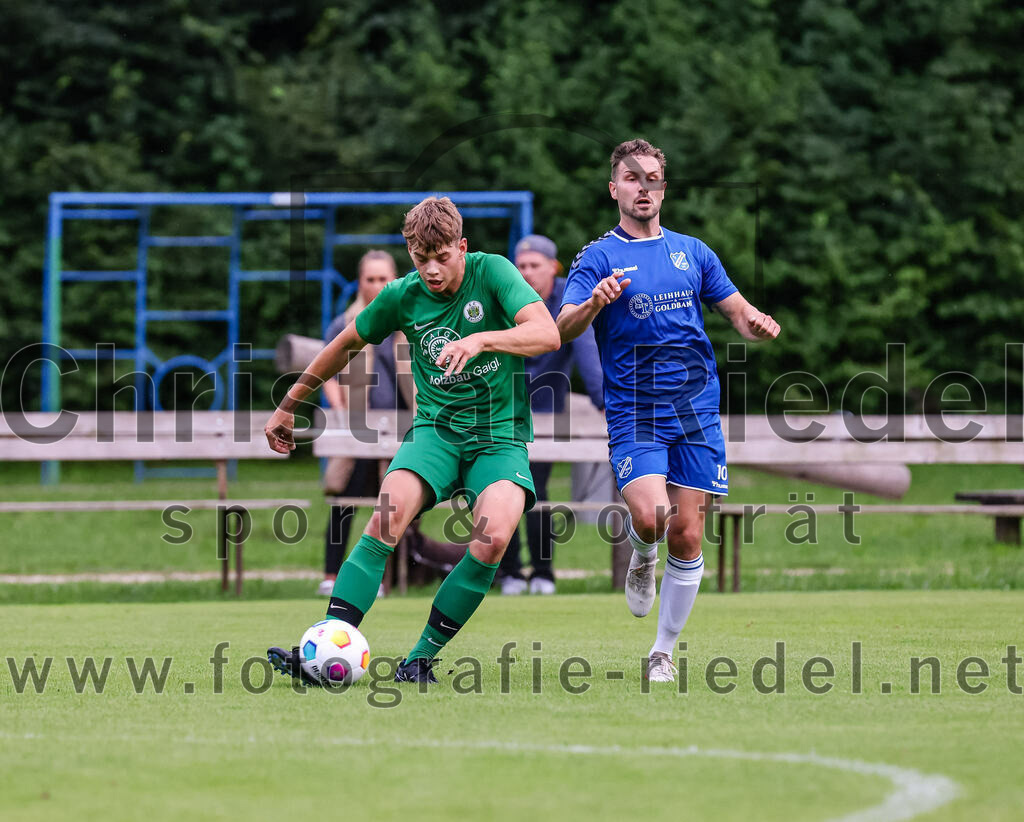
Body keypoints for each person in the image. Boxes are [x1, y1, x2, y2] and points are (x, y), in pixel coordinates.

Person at [265, 196, 560, 684]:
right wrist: (288, 405)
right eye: (421, 259)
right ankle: (325, 647)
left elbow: (546, 334)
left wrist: (482, 339)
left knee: (492, 540)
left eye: (442, 257)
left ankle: (419, 659)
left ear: (461, 246)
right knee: (386, 517)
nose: (432, 270)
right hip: (435, 434)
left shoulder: (494, 272)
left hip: (499, 438)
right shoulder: (402, 295)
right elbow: (344, 344)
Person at [557, 139, 781, 683]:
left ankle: (662, 652)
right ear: (614, 189)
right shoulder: (598, 257)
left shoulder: (693, 252)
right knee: (652, 517)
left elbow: (737, 311)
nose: (643, 187)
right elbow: (561, 327)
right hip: (635, 409)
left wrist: (756, 323)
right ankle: (642, 556)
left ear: (663, 187)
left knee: (687, 534)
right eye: (631, 178)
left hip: (695, 409)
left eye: (652, 178)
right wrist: (594, 302)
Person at [497, 234, 605, 596]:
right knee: (501, 488)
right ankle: (510, 572)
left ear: (553, 267)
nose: (526, 272)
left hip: (545, 414)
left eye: (534, 265)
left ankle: (543, 572)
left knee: (536, 491)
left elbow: (587, 352)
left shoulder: (568, 300)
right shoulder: (505, 296)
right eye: (521, 265)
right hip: (502, 409)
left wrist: (605, 401)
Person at [319, 250, 412, 596]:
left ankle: (384, 578)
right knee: (344, 503)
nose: (377, 285)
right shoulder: (345, 323)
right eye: (370, 279)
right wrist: (340, 409)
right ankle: (331, 575)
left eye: (383, 279)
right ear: (360, 283)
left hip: (401, 431)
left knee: (393, 506)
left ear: (394, 281)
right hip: (358, 430)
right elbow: (326, 372)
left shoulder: (408, 320)